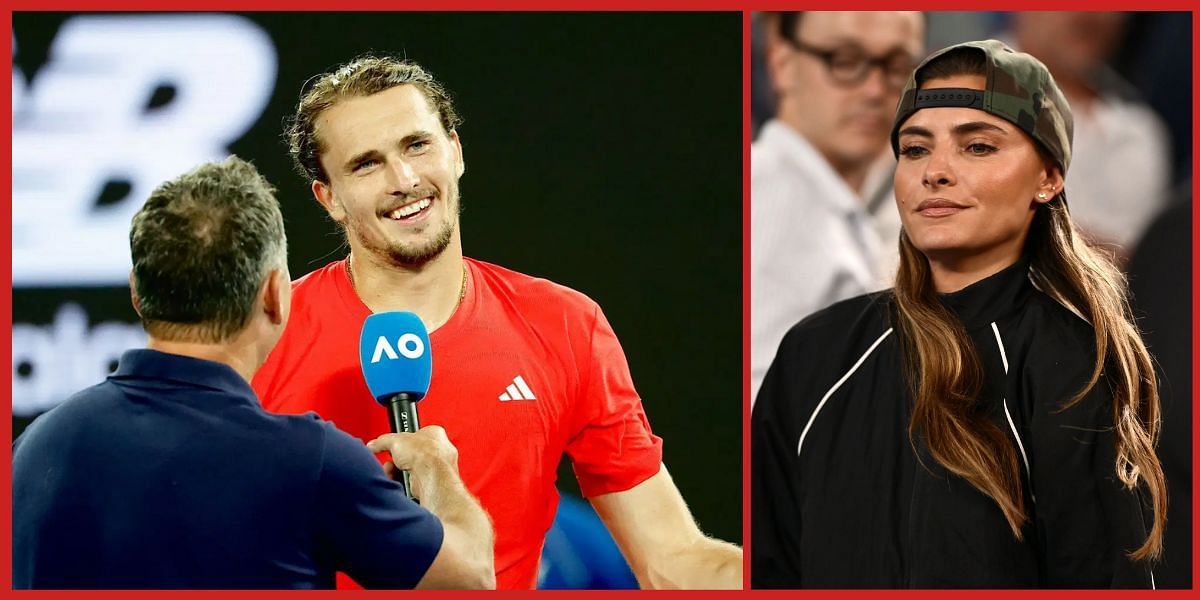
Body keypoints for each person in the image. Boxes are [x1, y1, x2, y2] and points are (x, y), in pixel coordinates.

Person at [251, 56, 742, 590]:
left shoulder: (565, 326)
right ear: (329, 199)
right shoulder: (263, 338)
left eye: (418, 145)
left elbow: (672, 560)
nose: (405, 179)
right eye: (366, 164)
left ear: (455, 152)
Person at [752, 40, 1166, 588]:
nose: (936, 172)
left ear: (1048, 178)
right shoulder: (817, 353)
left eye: (977, 147)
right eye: (915, 149)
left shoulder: (1072, 364)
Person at [12, 157, 495, 590]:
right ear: (274, 294)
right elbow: (470, 577)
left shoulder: (34, 448)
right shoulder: (310, 461)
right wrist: (438, 471)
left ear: (137, 292)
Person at [751, 11, 925, 401]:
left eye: (898, 67)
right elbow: (756, 404)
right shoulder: (770, 199)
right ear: (782, 64)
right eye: (845, 61)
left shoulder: (824, 203)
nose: (875, 89)